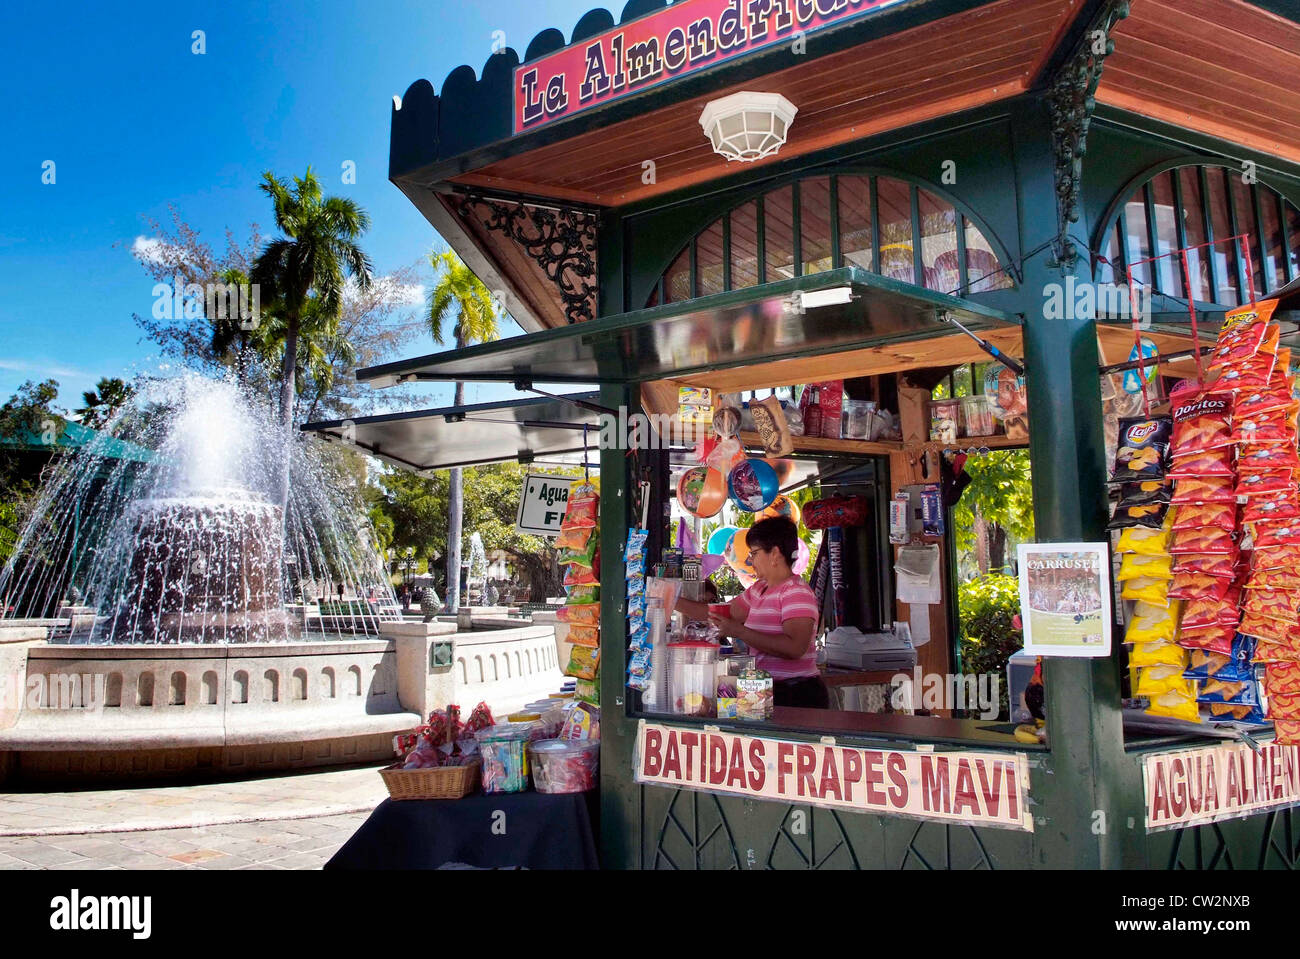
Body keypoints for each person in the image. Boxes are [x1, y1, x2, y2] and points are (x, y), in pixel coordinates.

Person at [677, 516, 829, 709]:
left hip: (796, 694)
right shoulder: (760, 589)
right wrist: (672, 600)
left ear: (774, 554)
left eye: (754, 553)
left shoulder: (795, 591)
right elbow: (716, 614)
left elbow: (795, 648)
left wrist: (739, 632)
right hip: (764, 690)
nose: (750, 560)